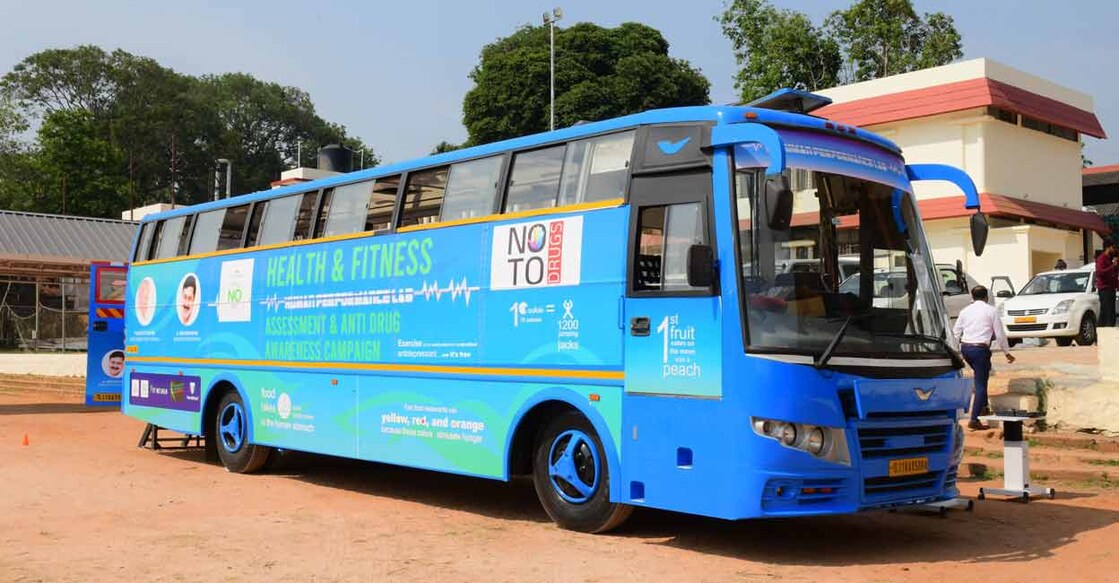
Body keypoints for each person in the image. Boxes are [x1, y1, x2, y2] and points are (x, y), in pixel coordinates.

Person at [953, 285, 1015, 430]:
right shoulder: (991, 310)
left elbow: (956, 332)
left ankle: (983, 407)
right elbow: (999, 333)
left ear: (972, 297)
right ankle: (974, 419)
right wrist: (1007, 352)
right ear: (986, 297)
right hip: (980, 350)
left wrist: (956, 351)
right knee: (981, 385)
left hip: (966, 348)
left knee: (982, 376)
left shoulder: (965, 311)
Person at [1096, 240, 1118, 328]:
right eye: (1113, 247)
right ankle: (1106, 333)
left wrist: (1116, 265)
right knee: (1108, 313)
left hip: (1111, 288)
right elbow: (1100, 273)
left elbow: (1113, 274)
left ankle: (1102, 333)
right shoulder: (1102, 258)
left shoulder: (1110, 259)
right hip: (1105, 289)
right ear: (1107, 248)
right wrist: (1113, 266)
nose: (1114, 250)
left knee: (1109, 313)